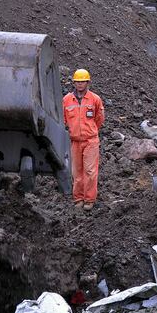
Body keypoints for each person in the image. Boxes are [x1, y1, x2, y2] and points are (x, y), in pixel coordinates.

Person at [63, 69, 105, 210]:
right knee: (77, 172)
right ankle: (78, 198)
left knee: (90, 171)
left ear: (88, 82)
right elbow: (63, 120)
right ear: (74, 82)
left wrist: (90, 131)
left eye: (83, 82)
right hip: (74, 141)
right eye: (78, 82)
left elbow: (99, 118)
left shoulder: (95, 99)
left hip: (90, 141)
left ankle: (89, 200)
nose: (80, 84)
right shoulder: (67, 100)